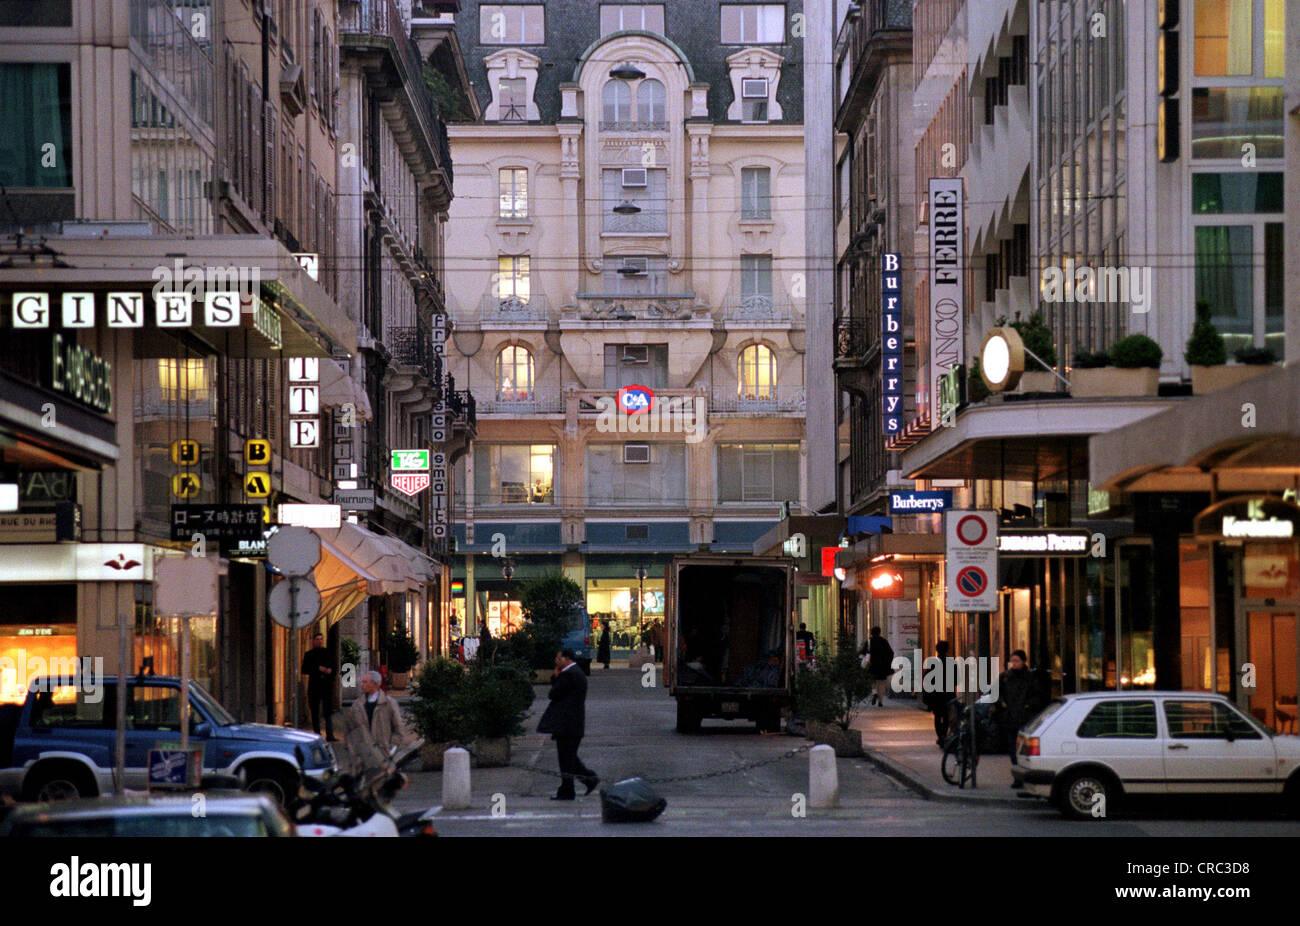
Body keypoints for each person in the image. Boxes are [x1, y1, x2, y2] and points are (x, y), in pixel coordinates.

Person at [537, 648, 598, 800]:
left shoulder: (569, 675)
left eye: (558, 659)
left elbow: (554, 693)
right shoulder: (576, 673)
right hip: (572, 723)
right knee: (569, 757)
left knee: (566, 758)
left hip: (567, 723)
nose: (556, 662)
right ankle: (582, 782)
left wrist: (556, 677)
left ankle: (571, 788)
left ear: (566, 659)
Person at [347, 670, 412, 771]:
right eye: (362, 682)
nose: (362, 685)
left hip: (383, 752)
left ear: (374, 684)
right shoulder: (357, 705)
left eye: (365, 682)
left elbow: (398, 727)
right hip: (363, 754)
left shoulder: (388, 703)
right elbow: (350, 729)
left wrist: (392, 747)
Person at [996, 649, 1044, 787]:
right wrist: (1002, 703)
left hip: (1025, 718)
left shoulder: (1030, 678)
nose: (1014, 663)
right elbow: (995, 693)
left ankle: (1022, 776)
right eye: (1012, 661)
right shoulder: (1005, 677)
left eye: (1017, 661)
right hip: (1010, 717)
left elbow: (1037, 696)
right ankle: (1017, 775)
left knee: (1023, 748)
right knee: (1012, 748)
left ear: (1024, 662)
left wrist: (1028, 706)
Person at [300, 633, 336, 741]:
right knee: (314, 712)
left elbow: (334, 667)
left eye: (321, 639)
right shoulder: (309, 654)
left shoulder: (328, 653)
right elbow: (304, 669)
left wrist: (330, 671)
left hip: (326, 686)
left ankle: (330, 735)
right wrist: (318, 668)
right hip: (314, 686)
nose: (319, 641)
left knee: (328, 712)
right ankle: (317, 734)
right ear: (313, 641)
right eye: (317, 639)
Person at [920, 640, 954, 746]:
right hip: (948, 693)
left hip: (936, 694)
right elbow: (957, 679)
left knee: (938, 716)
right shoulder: (951, 663)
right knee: (946, 716)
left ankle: (940, 736)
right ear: (947, 650)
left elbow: (926, 679)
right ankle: (944, 734)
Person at [865, 626, 895, 706]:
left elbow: (864, 652)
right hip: (882, 665)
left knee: (872, 680)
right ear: (879, 632)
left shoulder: (869, 641)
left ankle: (874, 692)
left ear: (871, 633)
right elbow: (891, 653)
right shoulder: (884, 641)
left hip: (872, 664)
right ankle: (880, 701)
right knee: (881, 683)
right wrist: (888, 662)